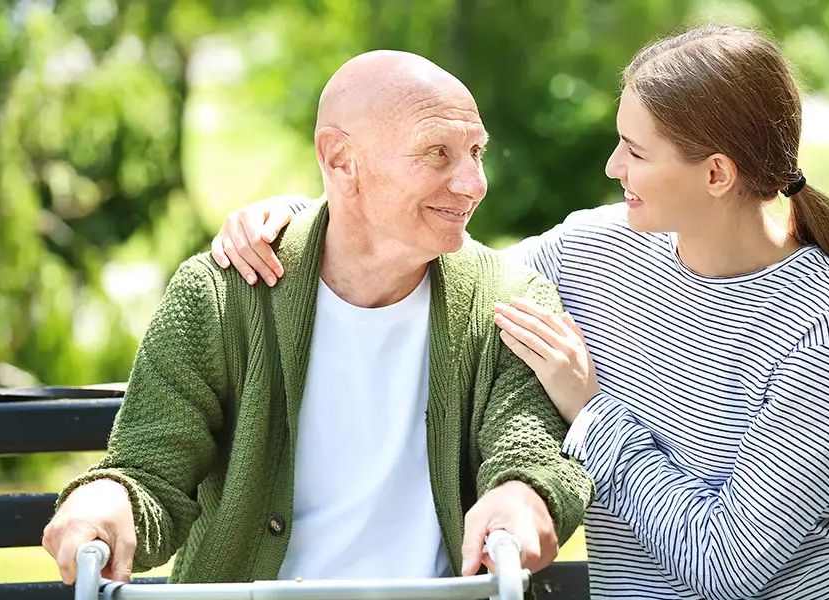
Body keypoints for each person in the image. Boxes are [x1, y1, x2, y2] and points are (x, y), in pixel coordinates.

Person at [212, 26, 829, 600]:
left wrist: (590, 412)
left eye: (635, 151)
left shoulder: (821, 326)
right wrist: (309, 218)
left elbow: (723, 565)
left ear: (714, 175)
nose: (612, 166)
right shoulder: (592, 252)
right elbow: (431, 260)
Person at [42, 50, 592, 587]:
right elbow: (150, 469)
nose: (473, 183)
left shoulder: (512, 302)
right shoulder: (220, 294)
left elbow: (529, 458)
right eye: (437, 153)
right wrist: (104, 502)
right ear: (340, 159)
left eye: (476, 152)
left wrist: (522, 499)